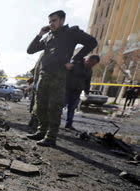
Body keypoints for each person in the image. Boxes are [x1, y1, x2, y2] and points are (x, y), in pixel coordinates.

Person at [26, 10, 97, 147]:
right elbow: (30, 50)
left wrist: (75, 60)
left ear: (62, 20)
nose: (51, 23)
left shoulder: (71, 33)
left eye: (54, 20)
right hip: (44, 74)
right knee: (40, 106)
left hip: (58, 75)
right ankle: (41, 131)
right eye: (50, 21)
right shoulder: (49, 36)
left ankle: (51, 138)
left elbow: (92, 42)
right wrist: (41, 33)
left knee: (54, 107)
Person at [64, 55, 100, 130]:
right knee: (60, 105)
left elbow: (87, 81)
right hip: (66, 89)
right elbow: (65, 73)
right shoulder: (75, 64)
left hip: (77, 92)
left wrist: (87, 91)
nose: (92, 65)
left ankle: (69, 124)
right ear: (88, 60)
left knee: (72, 108)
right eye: (92, 63)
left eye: (94, 64)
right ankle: (53, 123)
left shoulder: (90, 70)